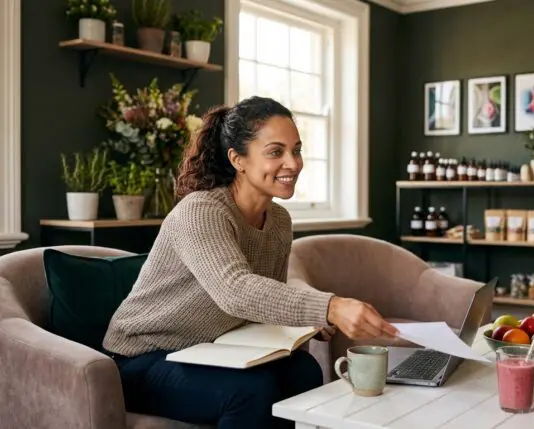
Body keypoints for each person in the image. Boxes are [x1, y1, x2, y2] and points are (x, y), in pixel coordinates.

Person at [102, 95, 398, 429]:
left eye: (296, 150)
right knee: (251, 391)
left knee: (304, 369)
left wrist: (312, 318)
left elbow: (267, 293)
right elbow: (236, 290)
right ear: (237, 160)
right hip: (141, 358)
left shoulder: (279, 221)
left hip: (210, 350)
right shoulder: (201, 211)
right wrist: (328, 307)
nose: (293, 163)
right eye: (276, 152)